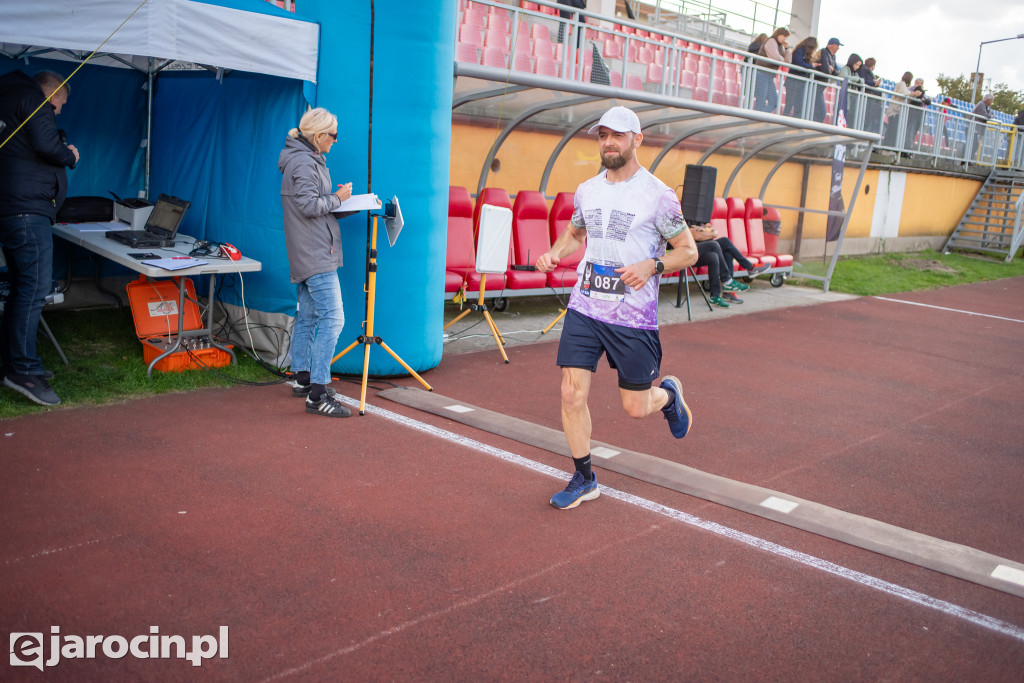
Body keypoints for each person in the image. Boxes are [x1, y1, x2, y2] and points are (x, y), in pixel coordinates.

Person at [534, 106, 698, 510]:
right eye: (603, 135)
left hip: (632, 318)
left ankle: (669, 396)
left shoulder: (658, 196)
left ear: (637, 140)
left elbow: (689, 252)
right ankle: (584, 477)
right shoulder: (588, 190)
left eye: (618, 135)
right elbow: (575, 233)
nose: (608, 142)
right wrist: (556, 253)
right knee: (571, 393)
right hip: (585, 306)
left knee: (635, 407)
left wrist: (652, 266)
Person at [279, 107, 367, 418]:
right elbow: (307, 205)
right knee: (334, 318)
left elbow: (315, 205)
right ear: (318, 136)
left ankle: (303, 379)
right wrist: (339, 199)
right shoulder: (304, 162)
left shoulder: (304, 159)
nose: (335, 140)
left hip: (309, 249)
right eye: (333, 135)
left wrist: (345, 204)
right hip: (315, 253)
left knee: (310, 316)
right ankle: (317, 394)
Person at [0, 70, 78, 406]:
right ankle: (23, 370)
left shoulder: (9, 95)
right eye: (57, 106)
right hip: (26, 213)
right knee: (33, 291)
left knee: (21, 289)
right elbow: (48, 145)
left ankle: (13, 363)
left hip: (13, 209)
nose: (57, 113)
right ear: (52, 93)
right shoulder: (31, 97)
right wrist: (70, 155)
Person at [753, 27, 791, 113]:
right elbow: (776, 57)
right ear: (778, 34)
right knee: (761, 101)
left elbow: (788, 62)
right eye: (783, 36)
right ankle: (756, 120)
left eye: (786, 37)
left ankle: (758, 118)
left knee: (774, 103)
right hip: (762, 73)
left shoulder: (781, 46)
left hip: (769, 75)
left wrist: (787, 49)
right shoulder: (771, 41)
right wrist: (783, 60)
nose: (784, 38)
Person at [785, 36, 819, 118]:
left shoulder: (806, 54)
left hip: (800, 84)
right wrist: (811, 66)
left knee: (799, 106)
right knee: (789, 105)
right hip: (793, 82)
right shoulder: (799, 50)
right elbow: (799, 65)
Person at [813, 37, 841, 122]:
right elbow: (825, 69)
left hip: (820, 87)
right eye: (838, 46)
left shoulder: (833, 56)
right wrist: (830, 69)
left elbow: (836, 72)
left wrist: (831, 69)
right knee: (821, 112)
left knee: (820, 112)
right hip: (815, 85)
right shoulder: (824, 52)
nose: (838, 48)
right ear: (833, 45)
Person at [883, 71, 914, 148]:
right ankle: (887, 147)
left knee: (892, 130)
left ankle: (887, 147)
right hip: (894, 111)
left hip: (896, 111)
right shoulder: (901, 85)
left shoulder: (902, 85)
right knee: (892, 130)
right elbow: (904, 93)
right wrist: (913, 94)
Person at [837, 53, 864, 126]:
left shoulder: (855, 73)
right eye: (856, 64)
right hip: (843, 100)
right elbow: (844, 76)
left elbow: (862, 81)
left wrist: (857, 79)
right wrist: (857, 79)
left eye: (859, 65)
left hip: (851, 103)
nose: (857, 67)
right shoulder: (845, 69)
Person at [858, 57, 883, 134]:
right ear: (872, 65)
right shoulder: (865, 71)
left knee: (865, 120)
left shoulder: (866, 70)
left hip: (867, 98)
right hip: (865, 98)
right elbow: (864, 81)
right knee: (864, 119)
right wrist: (873, 83)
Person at [971, 93, 995, 162]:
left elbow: (992, 114)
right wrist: (990, 116)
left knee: (975, 144)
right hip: (971, 127)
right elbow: (986, 115)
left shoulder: (987, 107)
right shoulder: (981, 104)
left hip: (976, 128)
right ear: (988, 100)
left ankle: (968, 159)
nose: (992, 102)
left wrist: (991, 115)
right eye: (991, 100)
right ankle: (966, 160)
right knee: (974, 144)